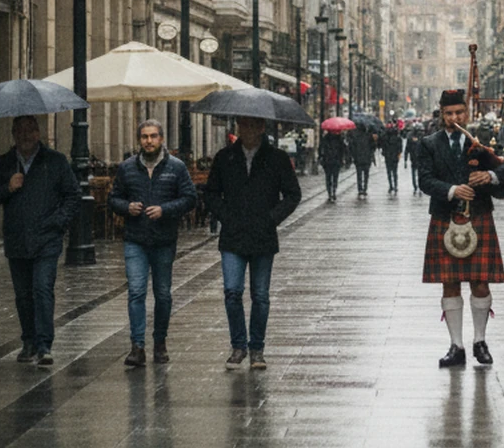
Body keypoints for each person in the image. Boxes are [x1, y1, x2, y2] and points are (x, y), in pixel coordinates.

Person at [417, 89, 504, 368]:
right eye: (449, 113)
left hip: (478, 214)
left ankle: (480, 341)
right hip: (445, 215)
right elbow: (424, 180)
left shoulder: (482, 141)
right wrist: (452, 190)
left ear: (467, 112)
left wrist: (490, 175)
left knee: (480, 282)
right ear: (442, 114)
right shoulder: (429, 143)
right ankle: (456, 346)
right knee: (449, 283)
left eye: (459, 112)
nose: (454, 118)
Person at [204, 115, 302, 371]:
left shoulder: (276, 158)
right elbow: (211, 193)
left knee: (260, 295)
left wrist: (271, 218)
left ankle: (257, 348)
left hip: (262, 235)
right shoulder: (225, 157)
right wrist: (225, 215)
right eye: (241, 125)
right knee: (232, 292)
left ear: (261, 128)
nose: (245, 130)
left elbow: (293, 194)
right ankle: (238, 346)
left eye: (250, 125)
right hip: (233, 236)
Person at [0, 115, 79, 365]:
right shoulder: (4, 163)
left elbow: (72, 195)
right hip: (17, 238)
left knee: (42, 288)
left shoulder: (55, 161)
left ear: (38, 133)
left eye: (30, 130)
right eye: (20, 131)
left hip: (47, 238)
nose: (25, 136)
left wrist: (58, 222)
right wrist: (8, 187)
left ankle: (44, 344)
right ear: (13, 134)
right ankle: (28, 340)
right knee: (23, 294)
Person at [109, 119, 198, 368]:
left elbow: (190, 198)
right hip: (135, 239)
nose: (149, 141)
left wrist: (165, 210)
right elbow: (113, 198)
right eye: (145, 137)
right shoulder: (127, 168)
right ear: (139, 140)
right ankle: (137, 346)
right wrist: (127, 207)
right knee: (136, 291)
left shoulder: (176, 168)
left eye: (153, 136)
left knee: (162, 294)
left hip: (163, 240)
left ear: (162, 139)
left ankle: (160, 342)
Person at [349, 123, 377, 197]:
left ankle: (360, 189)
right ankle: (365, 188)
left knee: (359, 175)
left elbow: (352, 148)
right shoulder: (369, 136)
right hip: (367, 159)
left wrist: (354, 156)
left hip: (358, 159)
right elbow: (373, 147)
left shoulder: (356, 137)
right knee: (366, 175)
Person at [318, 131, 345, 201]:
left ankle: (329, 193)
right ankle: (334, 191)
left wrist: (321, 157)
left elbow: (320, 149)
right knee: (335, 178)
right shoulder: (339, 139)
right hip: (336, 161)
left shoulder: (325, 138)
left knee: (328, 178)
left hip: (327, 161)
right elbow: (343, 150)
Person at [381, 124, 403, 194]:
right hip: (395, 157)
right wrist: (398, 153)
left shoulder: (385, 138)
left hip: (388, 157)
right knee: (395, 172)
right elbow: (400, 148)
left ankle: (391, 185)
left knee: (389, 172)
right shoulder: (398, 138)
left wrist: (384, 153)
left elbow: (383, 148)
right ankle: (396, 185)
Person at [404, 125, 424, 194]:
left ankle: (417, 187)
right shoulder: (419, 137)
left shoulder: (418, 137)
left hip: (417, 158)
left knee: (417, 174)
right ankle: (416, 187)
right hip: (416, 158)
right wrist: (405, 159)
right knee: (417, 174)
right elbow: (407, 149)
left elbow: (407, 149)